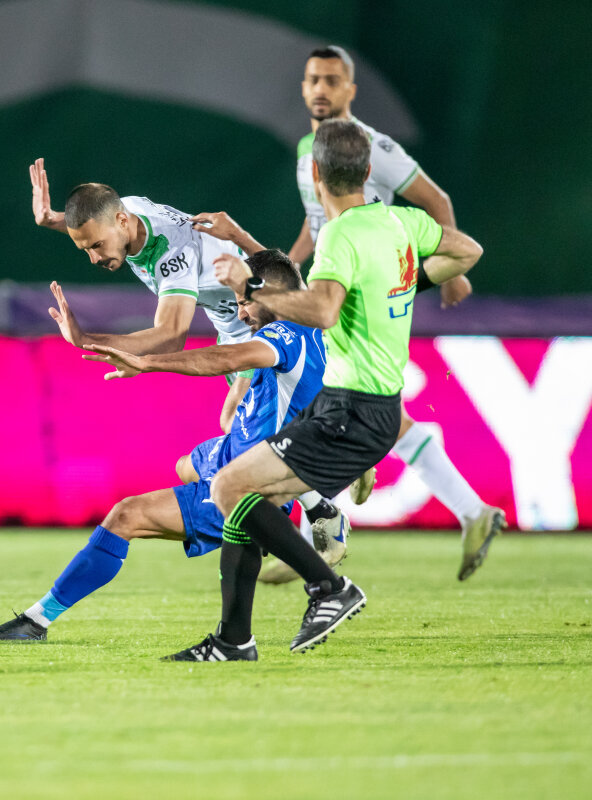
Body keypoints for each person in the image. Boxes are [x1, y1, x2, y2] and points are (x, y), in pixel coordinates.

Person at [195, 119, 484, 657]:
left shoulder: (339, 235)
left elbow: (323, 309)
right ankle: (233, 639)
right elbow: (468, 251)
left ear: (315, 174)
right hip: (369, 407)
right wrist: (403, 284)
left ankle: (329, 587)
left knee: (229, 488)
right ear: (369, 171)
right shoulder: (401, 222)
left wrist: (251, 286)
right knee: (246, 496)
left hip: (351, 411)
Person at [0, 250, 324, 660]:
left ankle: (36, 620)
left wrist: (147, 362)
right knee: (185, 465)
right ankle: (274, 530)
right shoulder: (313, 333)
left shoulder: (284, 335)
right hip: (237, 453)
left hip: (248, 479)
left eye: (245, 301)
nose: (240, 312)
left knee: (126, 515)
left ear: (271, 295)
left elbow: (225, 358)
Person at [30, 160, 349, 559]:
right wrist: (53, 219)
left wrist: (85, 339)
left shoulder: (172, 255)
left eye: (95, 246)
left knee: (241, 430)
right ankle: (311, 498)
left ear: (123, 222)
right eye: (87, 248)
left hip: (263, 323)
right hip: (240, 321)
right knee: (216, 444)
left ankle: (313, 502)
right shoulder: (124, 212)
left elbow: (170, 336)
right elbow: (99, 222)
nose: (94, 258)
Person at [280, 45, 504, 582]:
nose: (320, 89)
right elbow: (317, 219)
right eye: (312, 79)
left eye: (331, 80)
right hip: (334, 281)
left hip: (364, 289)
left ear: (351, 90)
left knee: (314, 390)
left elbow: (436, 201)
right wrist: (289, 265)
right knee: (357, 403)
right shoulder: (309, 148)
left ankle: (322, 527)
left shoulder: (372, 147)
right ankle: (468, 510)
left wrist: (449, 272)